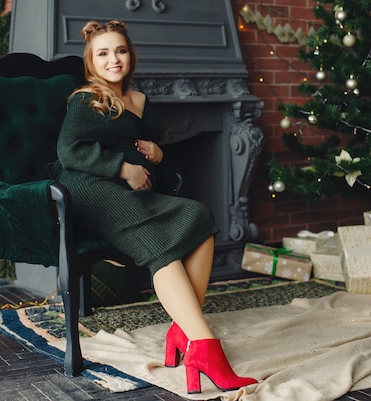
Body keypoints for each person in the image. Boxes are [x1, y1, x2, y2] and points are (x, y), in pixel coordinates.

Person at [52, 20, 257, 394]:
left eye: (120, 50)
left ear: (131, 54)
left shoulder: (141, 102)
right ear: (91, 62)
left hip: (126, 189)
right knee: (160, 245)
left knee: (199, 217)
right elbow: (69, 151)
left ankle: (183, 329)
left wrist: (158, 155)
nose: (113, 59)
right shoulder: (87, 98)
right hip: (89, 188)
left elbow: (150, 146)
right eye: (103, 53)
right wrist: (123, 168)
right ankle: (207, 350)